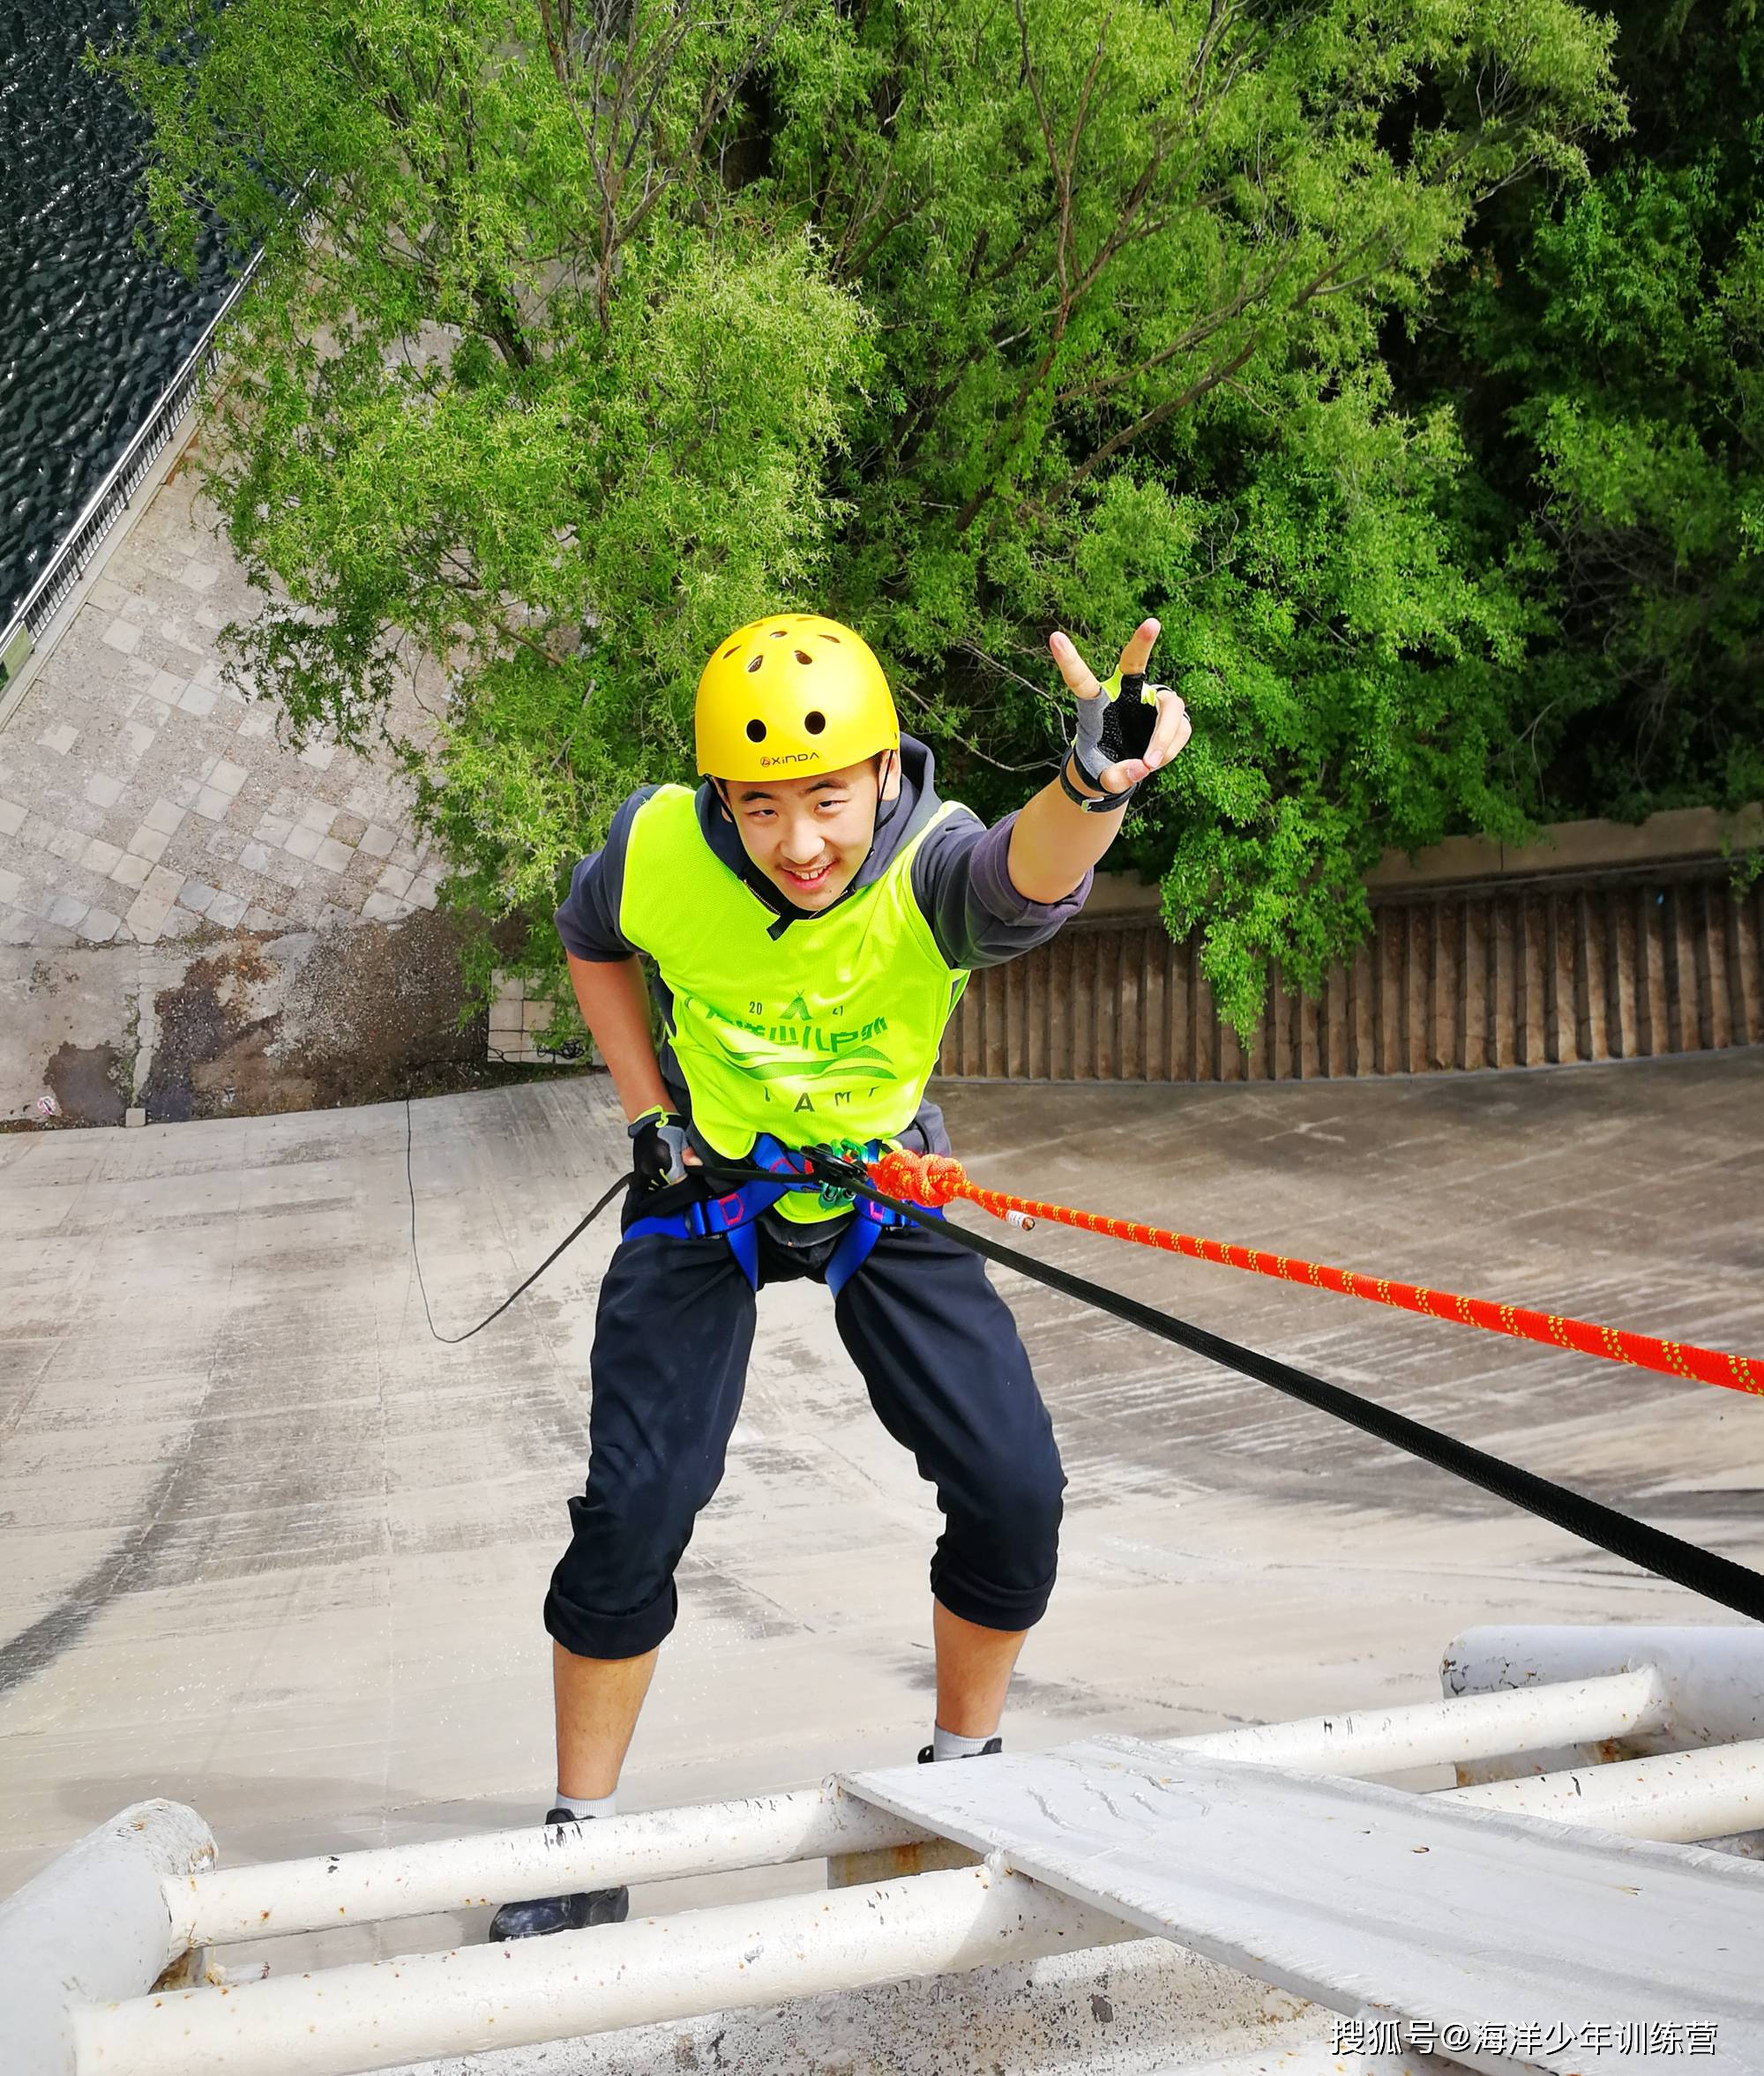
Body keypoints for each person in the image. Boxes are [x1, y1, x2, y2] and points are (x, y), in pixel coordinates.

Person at [489, 610, 1191, 1938]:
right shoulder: (656, 848)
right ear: (718, 800)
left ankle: (967, 1774)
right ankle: (580, 1840)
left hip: (882, 1186)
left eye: (827, 797)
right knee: (635, 1505)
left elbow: (1023, 879)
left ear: (883, 773)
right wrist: (650, 1114)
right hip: (711, 1188)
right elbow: (592, 936)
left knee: (1013, 1488)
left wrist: (1093, 786)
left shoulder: (931, 865)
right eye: (761, 809)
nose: (801, 843)